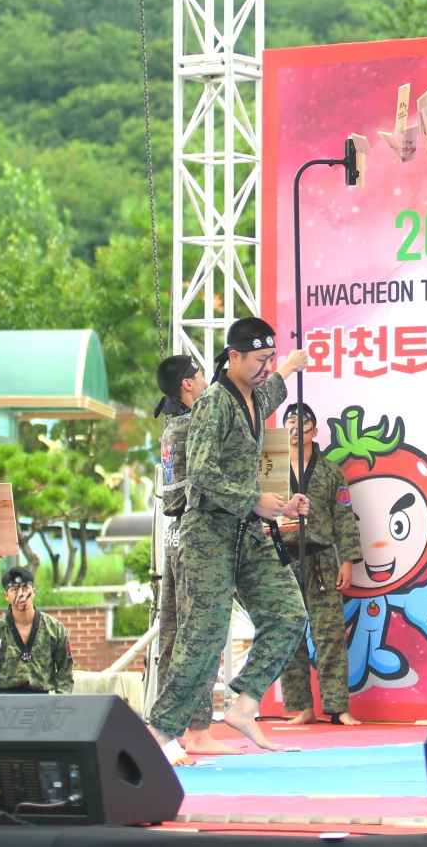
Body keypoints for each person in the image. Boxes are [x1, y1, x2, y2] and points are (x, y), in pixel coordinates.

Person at [146, 318, 310, 762]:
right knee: (204, 633)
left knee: (289, 615)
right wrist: (257, 500)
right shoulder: (213, 404)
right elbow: (200, 474)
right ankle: (160, 732)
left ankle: (245, 704)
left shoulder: (257, 395)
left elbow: (275, 387)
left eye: (268, 360)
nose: (265, 368)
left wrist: (291, 366)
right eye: (258, 360)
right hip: (208, 532)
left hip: (247, 531)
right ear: (233, 357)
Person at [152, 354, 239, 756]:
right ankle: (198, 726)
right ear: (187, 384)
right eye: (200, 375)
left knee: (174, 632)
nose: (205, 381)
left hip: (174, 532)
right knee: (201, 630)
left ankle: (170, 720)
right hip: (195, 531)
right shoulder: (192, 425)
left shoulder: (172, 427)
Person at [278, 403, 364, 725]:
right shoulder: (269, 468)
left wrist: (348, 560)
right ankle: (301, 706)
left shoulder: (329, 471)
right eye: (290, 421)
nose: (296, 427)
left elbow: (344, 518)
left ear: (315, 430)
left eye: (304, 423)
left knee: (329, 634)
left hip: (322, 560)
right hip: (283, 559)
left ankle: (338, 707)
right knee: (288, 634)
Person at [0, 567, 73, 694]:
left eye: (26, 588)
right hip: (5, 700)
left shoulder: (55, 628)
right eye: (14, 590)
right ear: (6, 596)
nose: (21, 594)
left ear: (34, 591)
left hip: (42, 700)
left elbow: (65, 672)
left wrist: (61, 705)